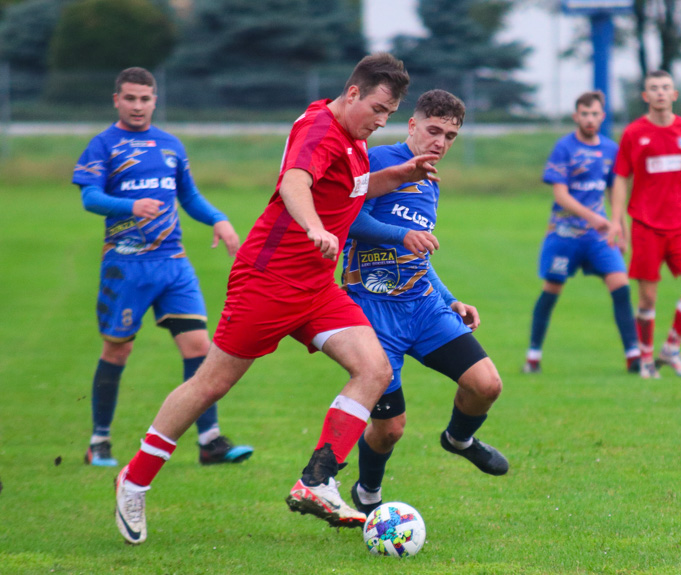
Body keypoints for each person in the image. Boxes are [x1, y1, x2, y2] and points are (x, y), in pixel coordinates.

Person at [112, 53, 440, 545]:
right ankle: (134, 479)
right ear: (353, 93)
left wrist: (403, 173)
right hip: (268, 282)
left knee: (374, 371)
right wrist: (313, 227)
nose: (381, 121)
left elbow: (355, 188)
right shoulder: (318, 128)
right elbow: (295, 183)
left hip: (315, 289)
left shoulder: (352, 142)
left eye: (389, 114)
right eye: (377, 108)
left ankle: (317, 482)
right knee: (210, 385)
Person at [73, 67, 253, 468]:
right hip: (126, 265)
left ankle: (210, 441)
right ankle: (99, 441)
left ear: (155, 100)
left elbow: (188, 196)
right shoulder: (104, 145)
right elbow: (89, 198)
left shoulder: (170, 145)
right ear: (117, 100)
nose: (138, 106)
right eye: (130, 98)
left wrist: (219, 219)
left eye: (145, 98)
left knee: (200, 348)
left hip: (173, 264)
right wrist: (129, 206)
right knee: (118, 350)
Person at [340, 89, 508, 515]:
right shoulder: (380, 161)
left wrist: (451, 300)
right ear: (412, 125)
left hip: (425, 307)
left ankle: (458, 440)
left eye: (450, 136)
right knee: (390, 429)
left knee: (486, 385)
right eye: (434, 130)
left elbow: (418, 253)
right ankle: (368, 495)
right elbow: (346, 218)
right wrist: (400, 235)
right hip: (374, 315)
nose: (441, 142)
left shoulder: (430, 180)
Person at [607, 70, 681, 379]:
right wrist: (616, 220)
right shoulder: (633, 133)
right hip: (646, 225)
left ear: (675, 94)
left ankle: (671, 348)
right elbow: (621, 178)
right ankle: (645, 360)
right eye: (653, 88)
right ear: (645, 96)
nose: (660, 93)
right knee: (648, 299)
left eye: (665, 87)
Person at [522, 91, 639, 375]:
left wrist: (620, 229)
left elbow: (616, 192)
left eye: (595, 114)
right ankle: (533, 356)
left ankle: (634, 356)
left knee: (621, 286)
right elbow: (560, 195)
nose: (590, 119)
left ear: (603, 115)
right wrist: (594, 218)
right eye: (584, 114)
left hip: (599, 238)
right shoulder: (564, 148)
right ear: (576, 117)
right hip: (565, 235)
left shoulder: (611, 149)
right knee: (551, 291)